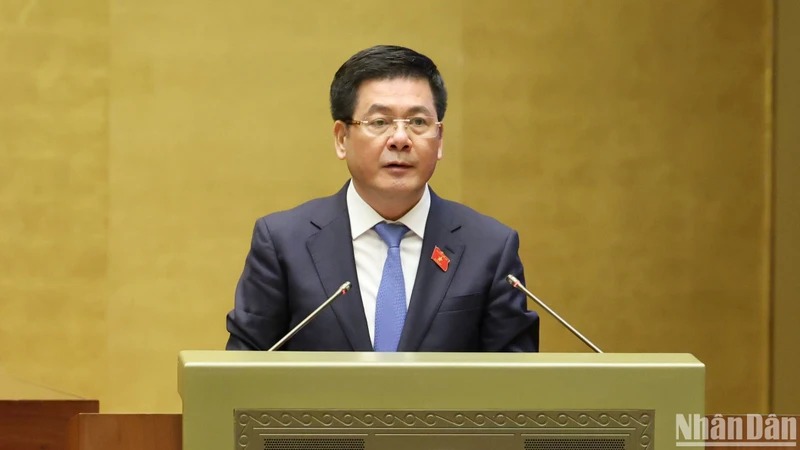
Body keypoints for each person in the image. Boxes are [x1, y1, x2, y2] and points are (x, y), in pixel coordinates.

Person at [225, 45, 539, 352]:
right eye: (380, 122)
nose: (400, 139)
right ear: (342, 138)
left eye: (418, 122)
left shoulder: (489, 248)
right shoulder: (283, 244)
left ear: (440, 139)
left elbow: (517, 381)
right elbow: (241, 373)